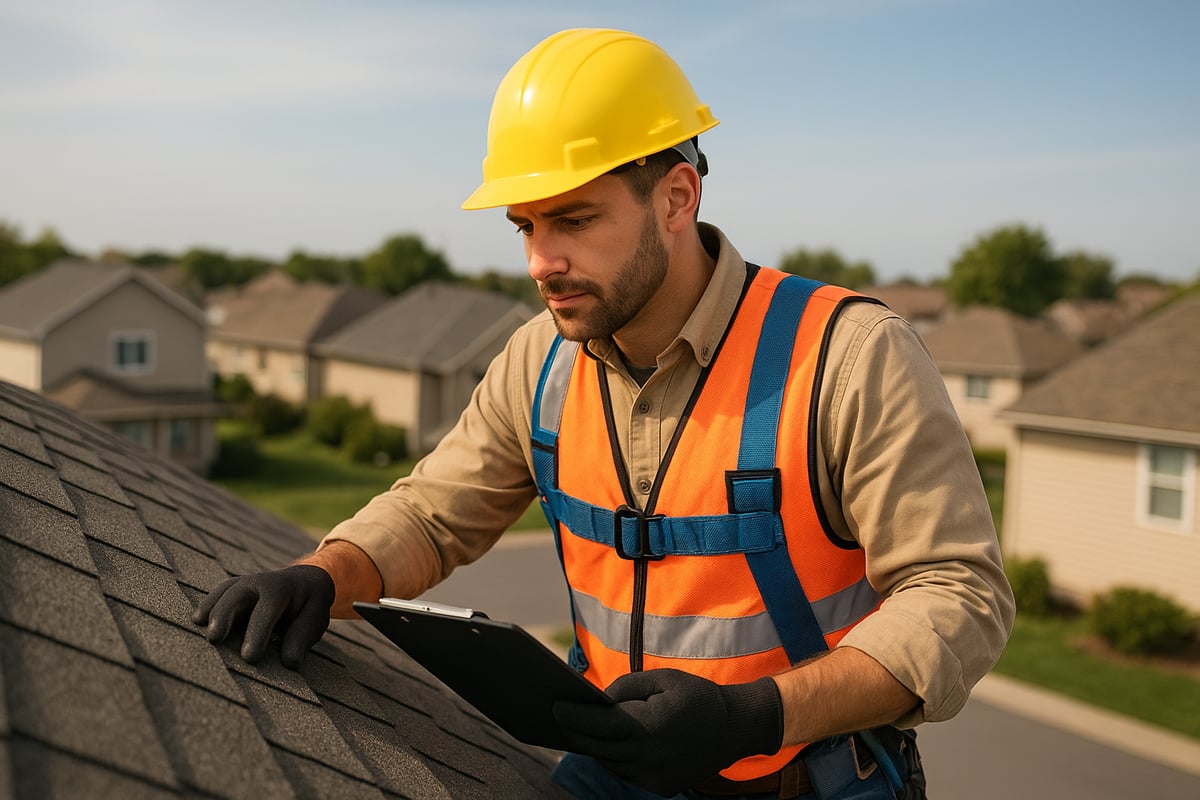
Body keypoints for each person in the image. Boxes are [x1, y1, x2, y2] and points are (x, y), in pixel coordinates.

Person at [194, 28, 1014, 800]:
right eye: (526, 226)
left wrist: (750, 716)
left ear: (676, 197)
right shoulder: (538, 360)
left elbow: (958, 597)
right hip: (609, 766)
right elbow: (433, 514)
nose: (542, 263)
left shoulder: (848, 355)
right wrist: (325, 574)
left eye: (576, 220)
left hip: (805, 778)